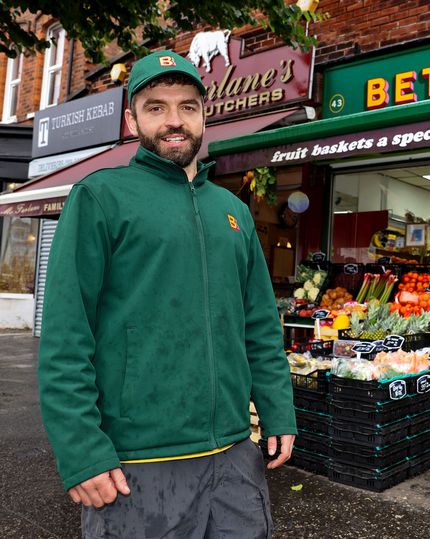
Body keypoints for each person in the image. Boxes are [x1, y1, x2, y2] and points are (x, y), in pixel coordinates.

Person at [37, 49, 296, 538]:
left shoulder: (234, 212)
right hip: (137, 464)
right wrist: (80, 451)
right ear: (132, 120)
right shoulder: (99, 197)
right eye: (156, 107)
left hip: (236, 460)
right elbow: (67, 337)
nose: (174, 120)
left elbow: (259, 325)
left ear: (205, 115)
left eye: (188, 106)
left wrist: (278, 409)